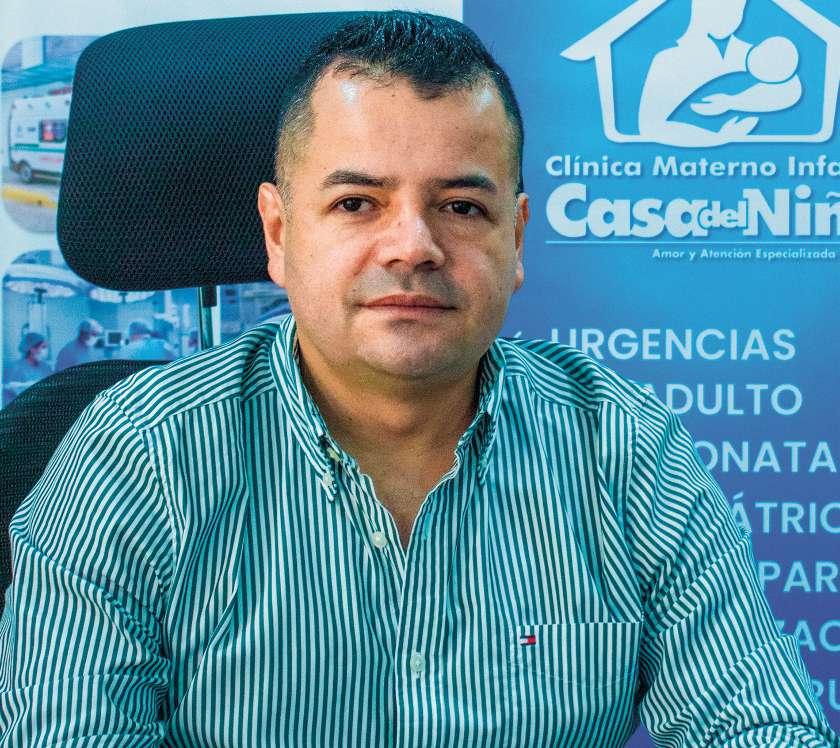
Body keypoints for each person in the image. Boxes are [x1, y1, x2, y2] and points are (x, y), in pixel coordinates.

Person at [0, 11, 837, 747]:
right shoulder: (134, 456)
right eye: (357, 203)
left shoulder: (623, 449)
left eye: (461, 207)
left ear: (516, 239)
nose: (413, 247)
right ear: (280, 234)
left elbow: (757, 721)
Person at [638, 0, 801, 145]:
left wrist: (732, 102)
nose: (730, 18)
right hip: (689, 163)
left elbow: (791, 89)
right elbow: (650, 127)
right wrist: (717, 138)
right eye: (722, 7)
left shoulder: (751, 54)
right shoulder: (667, 60)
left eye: (737, 9)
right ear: (697, 7)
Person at [2, 332, 53, 407]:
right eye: (43, 347)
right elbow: (8, 397)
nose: (46, 351)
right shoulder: (15, 368)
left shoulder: (46, 367)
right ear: (32, 349)